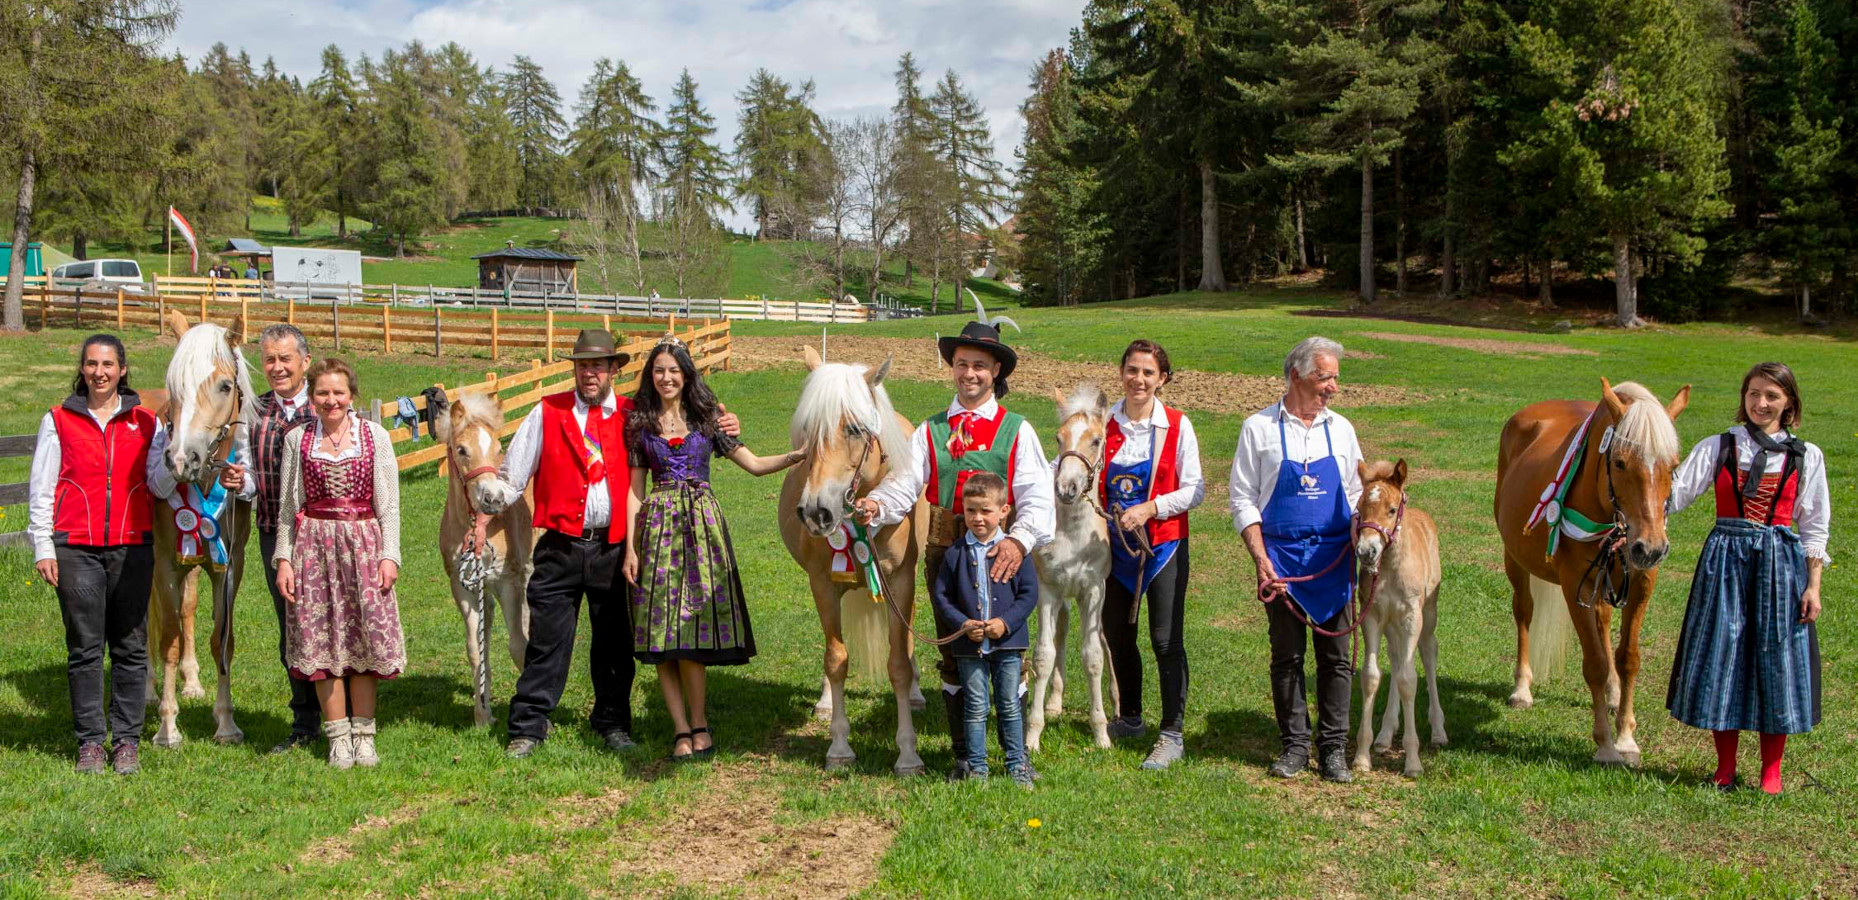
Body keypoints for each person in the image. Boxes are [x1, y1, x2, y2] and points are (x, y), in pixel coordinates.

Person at [498, 329, 739, 759]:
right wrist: (481, 517)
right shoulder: (547, 412)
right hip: (559, 547)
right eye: (582, 366)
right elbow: (510, 480)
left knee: (614, 644)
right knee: (547, 641)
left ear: (613, 369)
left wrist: (726, 422)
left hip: (612, 547)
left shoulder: (636, 416)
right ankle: (528, 726)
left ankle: (612, 722)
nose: (589, 373)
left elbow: (688, 421)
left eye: (597, 365)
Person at [854, 319, 1054, 780]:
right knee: (956, 650)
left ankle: (1016, 757)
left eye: (979, 365)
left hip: (1003, 555)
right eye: (962, 364)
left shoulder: (1017, 430)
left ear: (996, 371)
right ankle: (965, 756)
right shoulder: (930, 430)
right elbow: (905, 483)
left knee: (1007, 651)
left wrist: (1018, 542)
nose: (969, 374)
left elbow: (1037, 496)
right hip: (949, 555)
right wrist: (877, 504)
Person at [621, 335, 805, 762]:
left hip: (702, 532)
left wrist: (799, 455)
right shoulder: (640, 424)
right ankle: (680, 728)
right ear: (651, 376)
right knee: (661, 634)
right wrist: (631, 547)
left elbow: (754, 465)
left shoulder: (708, 420)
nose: (666, 378)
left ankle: (700, 722)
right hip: (657, 531)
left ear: (686, 375)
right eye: (658, 370)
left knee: (692, 627)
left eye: (673, 370)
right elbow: (634, 492)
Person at [1666, 362, 1831, 795]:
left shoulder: (1805, 456)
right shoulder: (1719, 446)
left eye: (1772, 396)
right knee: (1723, 655)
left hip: (1780, 563)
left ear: (1789, 403)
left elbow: (1814, 526)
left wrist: (1813, 585)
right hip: (1725, 562)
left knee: (1777, 661)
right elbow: (1674, 495)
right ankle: (1725, 767)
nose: (1761, 403)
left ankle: (1771, 772)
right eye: (1754, 393)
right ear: (1744, 397)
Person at [1229, 336, 1364, 783]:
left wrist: (1360, 526)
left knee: (1336, 658)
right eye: (1325, 377)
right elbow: (1243, 499)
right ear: (1296, 375)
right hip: (1281, 560)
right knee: (1286, 656)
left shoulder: (1342, 430)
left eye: (1335, 379)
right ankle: (1294, 746)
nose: (1333, 388)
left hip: (1333, 561)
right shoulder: (1258, 428)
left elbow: (1356, 493)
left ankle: (1333, 749)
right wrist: (1260, 557)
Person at [28, 335, 162, 775]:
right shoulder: (58, 420)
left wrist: (175, 465)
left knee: (130, 646)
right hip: (76, 548)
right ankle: (89, 742)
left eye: (107, 364)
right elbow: (43, 488)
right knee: (84, 648)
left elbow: (159, 484)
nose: (99, 372)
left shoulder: (146, 422)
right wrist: (43, 545)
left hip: (133, 545)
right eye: (91, 364)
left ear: (122, 369)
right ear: (82, 369)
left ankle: (126, 742)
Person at [273, 358, 405, 769]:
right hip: (313, 550)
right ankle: (337, 739)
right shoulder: (297, 440)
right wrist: (284, 559)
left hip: (363, 547)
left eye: (339, 392)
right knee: (322, 644)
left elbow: (389, 505)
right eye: (323, 393)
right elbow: (287, 509)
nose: (331, 400)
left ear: (351, 395)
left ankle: (364, 738)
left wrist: (390, 555)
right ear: (311, 397)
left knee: (364, 642)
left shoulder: (374, 436)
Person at [1099, 339, 1205, 770]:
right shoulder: (1104, 423)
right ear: (1121, 373)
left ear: (1162, 379)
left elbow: (1195, 489)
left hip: (1163, 545)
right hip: (1114, 549)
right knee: (1117, 633)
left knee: (1165, 639)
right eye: (1132, 370)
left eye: (1148, 372)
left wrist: (1150, 508)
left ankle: (1172, 733)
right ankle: (1130, 717)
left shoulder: (1177, 425)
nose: (1138, 379)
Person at [930, 473, 1039, 786]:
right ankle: (977, 769)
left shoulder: (1016, 553)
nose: (977, 518)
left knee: (1009, 706)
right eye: (970, 511)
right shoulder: (955, 554)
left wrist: (1006, 623)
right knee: (975, 707)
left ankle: (1017, 765)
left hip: (1008, 645)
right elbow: (942, 597)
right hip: (970, 647)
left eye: (985, 511)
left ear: (1003, 511)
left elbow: (1029, 594)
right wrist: (963, 624)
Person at [245, 324, 322, 752]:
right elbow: (249, 478)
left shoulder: (327, 403)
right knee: (290, 624)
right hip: (275, 534)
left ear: (304, 362)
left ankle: (343, 713)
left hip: (326, 533)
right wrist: (240, 482)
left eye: (285, 358)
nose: (277, 367)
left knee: (332, 620)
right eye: (270, 359)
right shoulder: (253, 411)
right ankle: (304, 720)